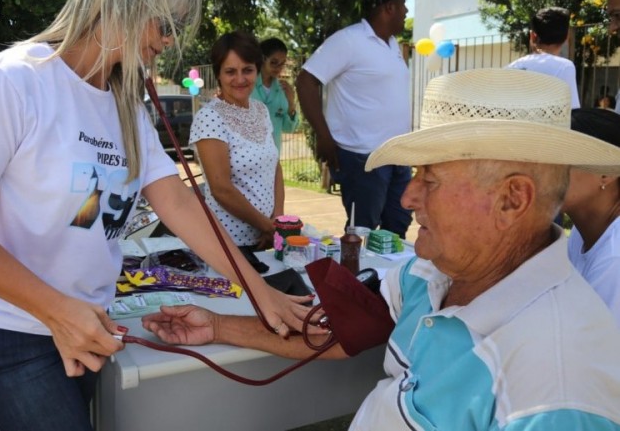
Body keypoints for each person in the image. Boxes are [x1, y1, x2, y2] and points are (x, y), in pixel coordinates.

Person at [0, 0, 309, 430]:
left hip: (83, 324)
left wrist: (258, 290)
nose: (167, 42)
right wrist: (57, 312)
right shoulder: (13, 82)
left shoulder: (123, 102)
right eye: (164, 24)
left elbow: (176, 201)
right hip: (7, 331)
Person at [144, 69, 620, 430]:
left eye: (429, 178)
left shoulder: (555, 381)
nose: (409, 197)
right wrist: (219, 326)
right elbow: (342, 332)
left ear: (512, 199)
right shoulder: (432, 274)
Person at [296, 0, 416, 238]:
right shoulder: (348, 40)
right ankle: (358, 280)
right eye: (403, 5)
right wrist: (324, 136)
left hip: (398, 158)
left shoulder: (393, 45)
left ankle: (387, 280)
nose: (407, 12)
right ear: (389, 8)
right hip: (363, 159)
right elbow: (306, 81)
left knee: (396, 232)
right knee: (360, 234)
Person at [189, 31, 284, 254]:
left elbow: (275, 167)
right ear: (218, 75)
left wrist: (277, 219)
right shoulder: (210, 117)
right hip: (228, 244)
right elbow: (221, 189)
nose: (240, 79)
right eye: (230, 71)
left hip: (265, 238)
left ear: (257, 71)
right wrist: (265, 225)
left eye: (248, 70)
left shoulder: (260, 110)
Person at [562, 108, 620, 327]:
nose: (547, 173)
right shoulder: (583, 230)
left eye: (563, 162)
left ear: (607, 173)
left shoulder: (615, 258)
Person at [507, 7, 581, 108]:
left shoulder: (511, 67)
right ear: (567, 37)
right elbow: (572, 110)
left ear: (533, 36)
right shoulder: (565, 67)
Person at [252, 37, 299, 153]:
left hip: (272, 158)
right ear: (262, 58)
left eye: (282, 64)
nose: (279, 68)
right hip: (247, 156)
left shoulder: (283, 90)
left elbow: (289, 128)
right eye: (274, 62)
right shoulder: (246, 85)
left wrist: (291, 104)